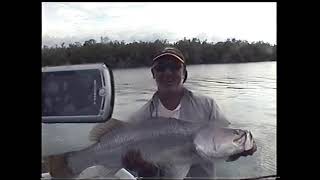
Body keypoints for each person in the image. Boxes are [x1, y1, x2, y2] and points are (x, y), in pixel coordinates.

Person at [47, 46, 256, 178]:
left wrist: (239, 149)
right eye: (161, 68)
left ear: (184, 73)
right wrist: (144, 168)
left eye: (174, 67)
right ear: (153, 74)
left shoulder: (208, 106)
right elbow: (149, 173)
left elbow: (222, 151)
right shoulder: (139, 118)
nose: (168, 73)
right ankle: (72, 163)